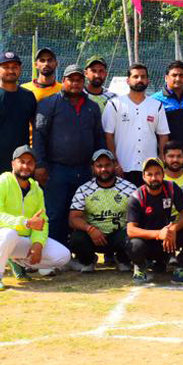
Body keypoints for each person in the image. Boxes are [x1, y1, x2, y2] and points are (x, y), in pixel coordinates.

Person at [0, 145, 71, 291]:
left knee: (63, 256)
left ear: (34, 166)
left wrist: (38, 244)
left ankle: (19, 262)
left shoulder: (36, 190)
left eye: (30, 163)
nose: (25, 166)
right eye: (21, 161)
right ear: (13, 164)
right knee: (9, 234)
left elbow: (42, 221)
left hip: (19, 240)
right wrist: (26, 223)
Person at [33, 64, 106, 246]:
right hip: (57, 169)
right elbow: (39, 136)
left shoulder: (92, 107)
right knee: (56, 213)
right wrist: (40, 164)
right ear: (63, 81)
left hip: (84, 170)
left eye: (79, 79)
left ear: (84, 81)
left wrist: (99, 164)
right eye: (70, 79)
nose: (75, 83)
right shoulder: (49, 103)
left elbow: (98, 137)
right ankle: (55, 254)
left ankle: (77, 254)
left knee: (80, 213)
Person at [125, 157, 183, 286]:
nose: (154, 178)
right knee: (134, 245)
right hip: (147, 241)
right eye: (149, 174)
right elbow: (131, 230)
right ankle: (140, 266)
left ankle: (180, 267)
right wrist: (158, 233)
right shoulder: (137, 196)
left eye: (157, 173)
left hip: (167, 240)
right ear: (143, 176)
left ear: (163, 174)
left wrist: (173, 229)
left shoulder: (171, 188)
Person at [68, 149, 137, 273]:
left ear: (114, 165)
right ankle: (88, 260)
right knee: (76, 238)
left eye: (107, 165)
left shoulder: (129, 188)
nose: (103, 169)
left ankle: (122, 259)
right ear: (93, 167)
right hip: (93, 237)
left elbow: (138, 217)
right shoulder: (83, 189)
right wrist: (90, 230)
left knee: (133, 234)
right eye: (99, 166)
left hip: (118, 237)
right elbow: (73, 219)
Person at [103, 63, 169, 187]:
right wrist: (115, 163)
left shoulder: (157, 105)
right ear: (128, 80)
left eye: (143, 77)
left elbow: (163, 135)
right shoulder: (115, 104)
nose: (139, 80)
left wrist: (161, 160)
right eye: (135, 76)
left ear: (148, 81)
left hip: (150, 169)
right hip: (123, 166)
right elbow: (108, 135)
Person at [0, 51, 38, 183]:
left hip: (24, 167)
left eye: (15, 67)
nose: (11, 70)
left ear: (20, 69)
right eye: (6, 67)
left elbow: (36, 130)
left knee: (24, 203)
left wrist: (35, 161)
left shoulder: (28, 96)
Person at [151, 61, 183, 172]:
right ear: (166, 78)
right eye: (174, 75)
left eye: (181, 75)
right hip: (167, 159)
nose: (178, 78)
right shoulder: (155, 100)